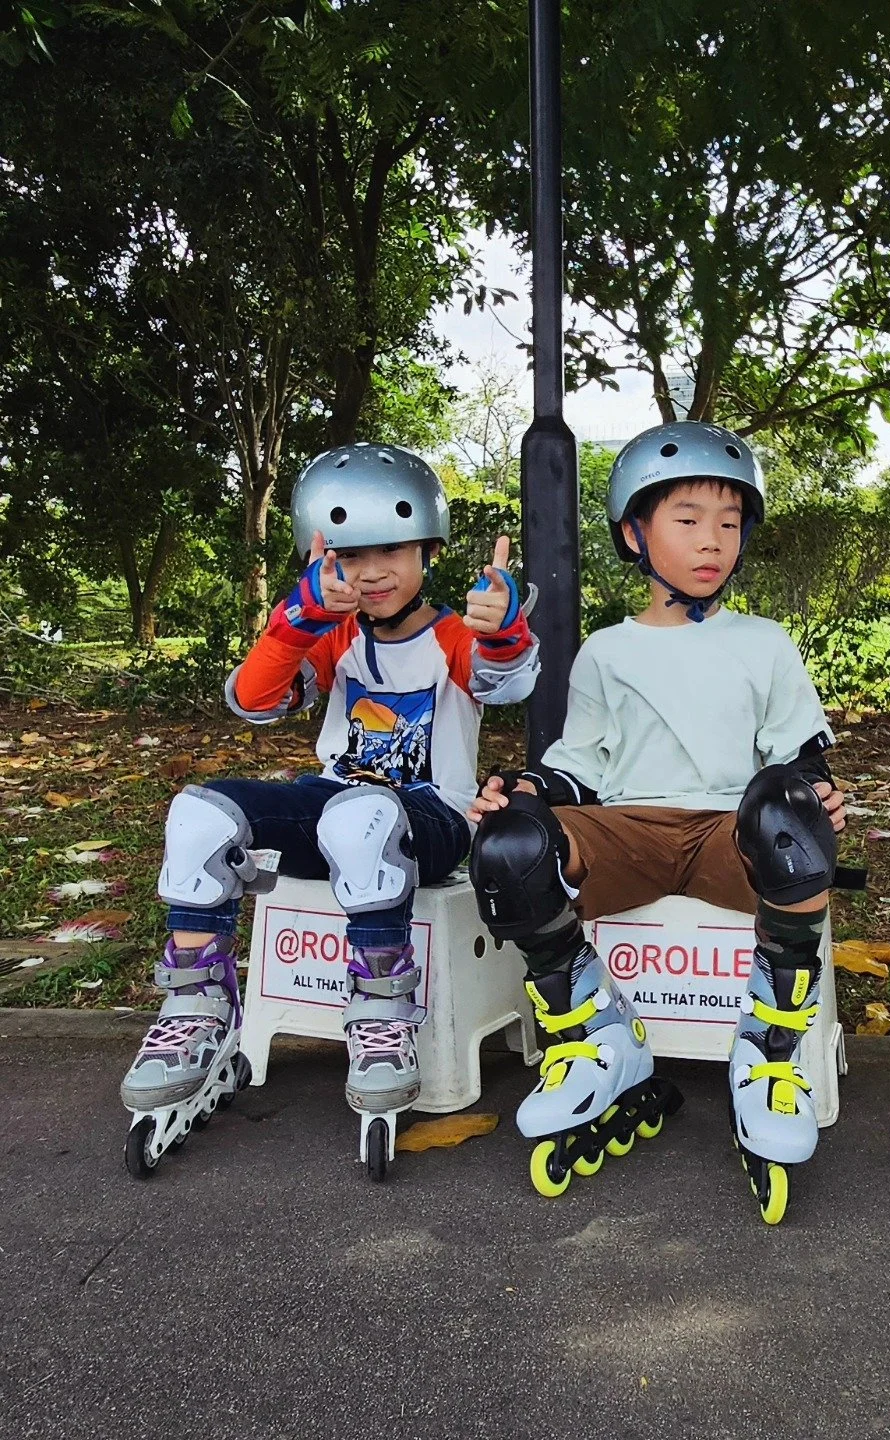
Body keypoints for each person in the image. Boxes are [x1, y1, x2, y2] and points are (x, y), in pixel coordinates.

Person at [120, 443, 538, 1178]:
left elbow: (503, 678)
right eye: (348, 554)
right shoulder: (335, 634)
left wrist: (502, 626)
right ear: (321, 555)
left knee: (362, 816)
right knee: (199, 814)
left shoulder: (450, 637)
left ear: (429, 547)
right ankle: (198, 1010)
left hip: (431, 820)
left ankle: (382, 1015)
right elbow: (253, 702)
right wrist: (298, 618)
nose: (371, 571)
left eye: (390, 550)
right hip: (336, 805)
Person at [467, 420, 846, 1224]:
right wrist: (527, 787)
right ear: (636, 533)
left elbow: (796, 754)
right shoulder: (607, 650)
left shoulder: (764, 642)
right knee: (510, 846)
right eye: (687, 520)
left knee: (789, 817)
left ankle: (770, 1049)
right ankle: (595, 1030)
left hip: (727, 833)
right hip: (628, 828)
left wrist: (816, 794)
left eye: (729, 523)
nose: (712, 540)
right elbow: (584, 760)